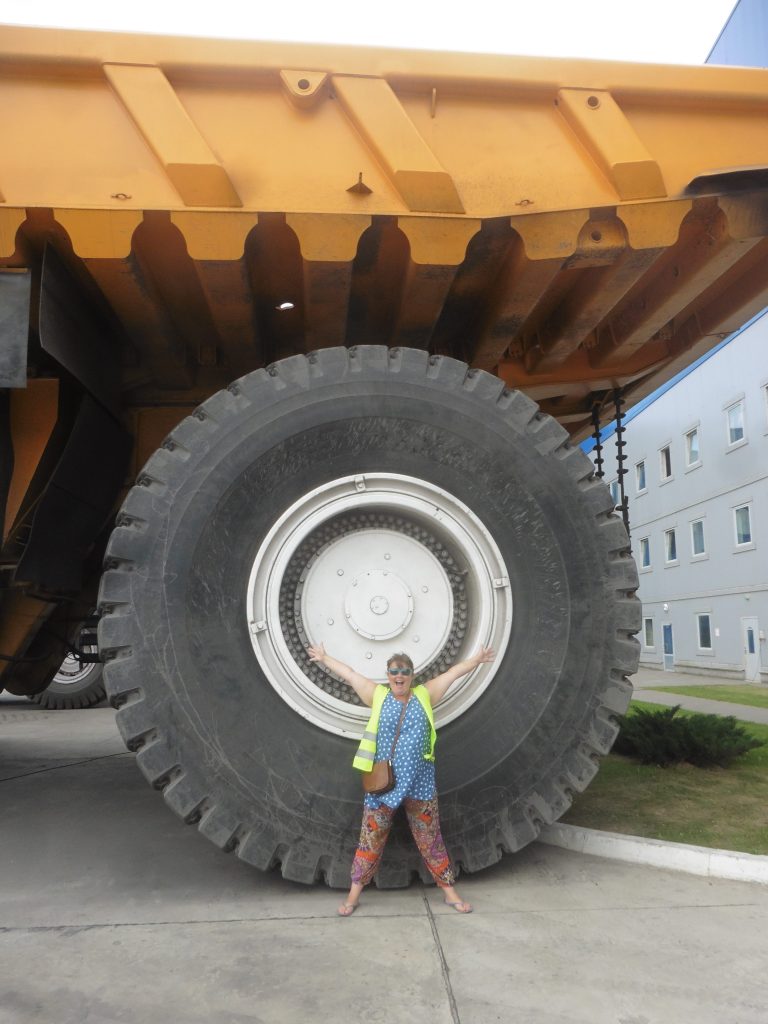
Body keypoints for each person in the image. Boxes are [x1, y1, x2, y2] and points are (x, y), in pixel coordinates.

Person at [307, 642, 495, 917]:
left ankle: (450, 892)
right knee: (370, 840)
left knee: (430, 840)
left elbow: (453, 673)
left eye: (405, 671)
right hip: (385, 784)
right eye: (395, 671)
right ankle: (353, 896)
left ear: (412, 675)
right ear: (388, 674)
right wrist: (324, 658)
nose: (399, 676)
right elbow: (349, 674)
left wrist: (476, 660)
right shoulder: (378, 696)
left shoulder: (424, 695)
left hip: (420, 784)